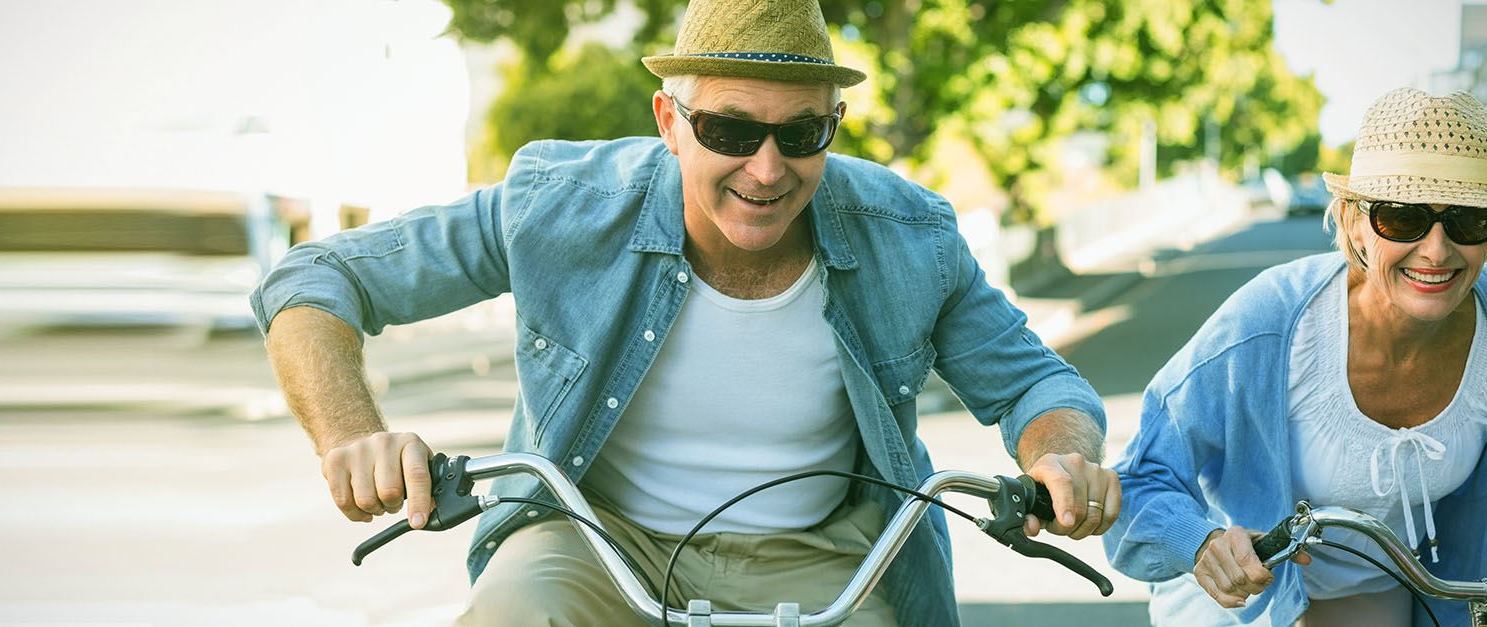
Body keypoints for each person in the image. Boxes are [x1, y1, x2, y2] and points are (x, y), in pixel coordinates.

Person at [250, 1, 1119, 624]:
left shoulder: (909, 234)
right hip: (597, 542)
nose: (768, 168)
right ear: (671, 120)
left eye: (802, 134)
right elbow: (316, 277)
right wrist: (350, 436)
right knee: (514, 609)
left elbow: (1037, 384)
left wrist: (1062, 459)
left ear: (835, 126)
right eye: (733, 132)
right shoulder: (559, 206)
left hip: (825, 558)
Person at [1102, 87, 1487, 625]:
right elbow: (1144, 480)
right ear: (1354, 220)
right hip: (1241, 602)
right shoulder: (1266, 326)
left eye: (1468, 219)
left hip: (1381, 597)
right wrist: (1201, 544)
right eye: (1402, 216)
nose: (1436, 250)